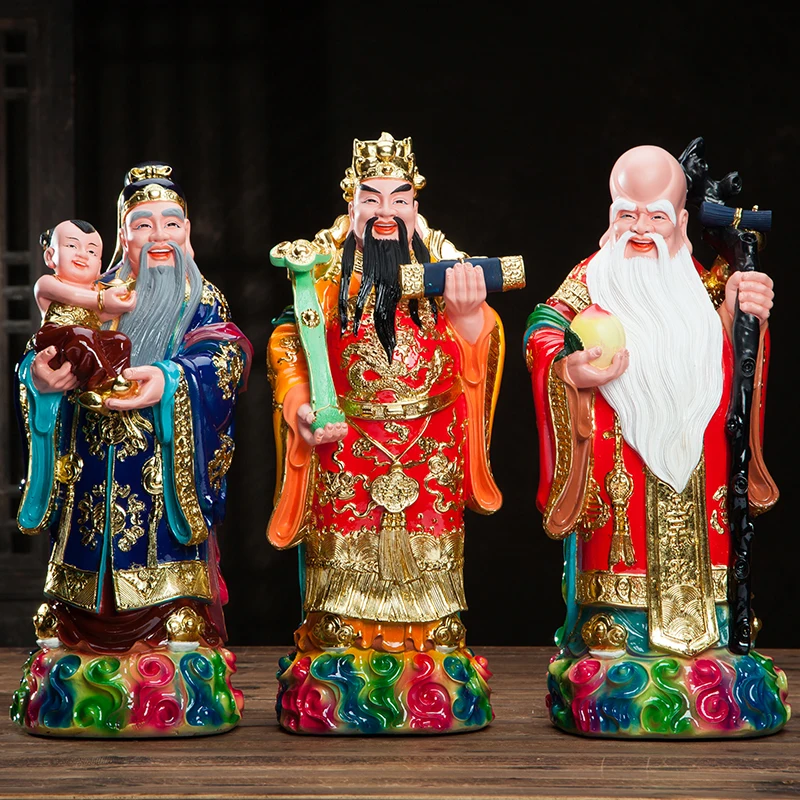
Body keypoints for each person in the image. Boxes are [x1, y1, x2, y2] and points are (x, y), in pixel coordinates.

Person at [524, 144, 789, 737]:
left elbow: (741, 356)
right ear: (610, 214)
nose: (641, 229)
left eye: (657, 215)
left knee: (717, 602)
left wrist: (743, 317)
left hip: (702, 472)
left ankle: (717, 636)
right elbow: (543, 328)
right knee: (615, 637)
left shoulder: (706, 284)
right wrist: (568, 367)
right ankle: (615, 635)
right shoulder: (590, 279)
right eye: (628, 214)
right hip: (619, 476)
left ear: (682, 220)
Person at [267, 132, 503, 734]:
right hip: (348, 445)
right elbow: (289, 341)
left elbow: (479, 348)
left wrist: (470, 318)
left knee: (436, 612)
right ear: (350, 205)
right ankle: (339, 651)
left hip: (429, 445)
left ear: (416, 208)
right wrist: (299, 404)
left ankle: (432, 648)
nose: (385, 212)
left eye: (400, 199)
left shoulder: (445, 270)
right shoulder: (321, 271)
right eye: (370, 199)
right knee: (339, 613)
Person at [12, 163, 252, 737]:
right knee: (82, 580)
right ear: (123, 236)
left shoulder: (203, 299)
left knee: (171, 603)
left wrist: (170, 380)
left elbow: (227, 356)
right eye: (143, 225)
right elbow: (40, 350)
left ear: (188, 231)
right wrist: (40, 380)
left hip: (161, 469)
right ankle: (78, 639)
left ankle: (172, 643)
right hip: (93, 466)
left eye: (172, 223)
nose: (159, 236)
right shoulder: (98, 293)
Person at [32, 219, 137, 411]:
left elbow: (104, 314)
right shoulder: (48, 283)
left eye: (91, 251)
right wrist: (102, 298)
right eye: (72, 246)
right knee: (81, 335)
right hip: (55, 339)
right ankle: (101, 383)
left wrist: (125, 299)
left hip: (86, 341)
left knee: (119, 341)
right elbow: (72, 296)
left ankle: (119, 383)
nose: (82, 254)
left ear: (99, 266)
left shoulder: (95, 291)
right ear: (50, 256)